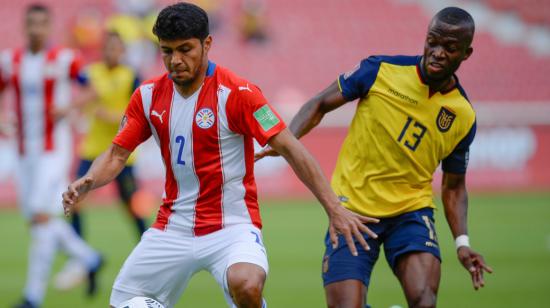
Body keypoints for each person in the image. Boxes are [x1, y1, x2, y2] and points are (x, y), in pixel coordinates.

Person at [61, 3, 377, 308]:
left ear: (207, 43)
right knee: (125, 303)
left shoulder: (239, 94)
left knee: (246, 284)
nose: (175, 61)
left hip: (232, 226)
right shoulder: (147, 96)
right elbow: (117, 154)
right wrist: (89, 180)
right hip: (172, 226)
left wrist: (334, 208)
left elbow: (291, 148)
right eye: (167, 51)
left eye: (185, 49)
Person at [256, 6, 493, 308]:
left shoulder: (462, 115)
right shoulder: (380, 70)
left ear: (466, 53)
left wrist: (463, 243)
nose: (437, 52)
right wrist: (288, 139)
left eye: (450, 47)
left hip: (410, 211)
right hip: (352, 210)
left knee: (424, 301)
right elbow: (319, 104)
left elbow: (454, 185)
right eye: (432, 42)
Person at [0, 4, 103, 308]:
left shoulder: (64, 59)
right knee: (36, 218)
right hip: (22, 149)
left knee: (41, 215)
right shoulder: (10, 61)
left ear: (49, 27)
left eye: (42, 24)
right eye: (31, 23)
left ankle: (33, 296)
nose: (36, 29)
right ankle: (89, 257)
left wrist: (70, 108)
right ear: (25, 26)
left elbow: (91, 90)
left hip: (53, 149)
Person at [54, 30, 146, 291]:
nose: (110, 53)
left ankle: (148, 253)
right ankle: (81, 261)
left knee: (131, 206)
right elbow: (77, 90)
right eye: (107, 48)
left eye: (116, 48)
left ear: (123, 51)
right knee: (76, 200)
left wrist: (113, 116)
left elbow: (138, 112)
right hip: (92, 150)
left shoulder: (130, 75)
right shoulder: (92, 73)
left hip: (123, 154)